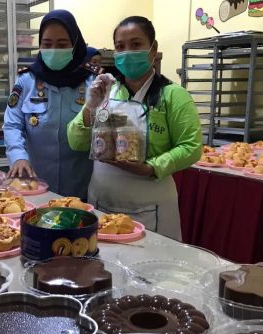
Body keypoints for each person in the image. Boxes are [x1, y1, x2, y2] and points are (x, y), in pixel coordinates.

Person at [67, 16, 202, 240]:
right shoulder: (105, 91)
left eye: (136, 44)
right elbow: (76, 141)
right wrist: (90, 107)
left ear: (153, 49)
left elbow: (192, 146)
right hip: (101, 197)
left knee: (150, 269)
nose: (128, 52)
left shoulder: (173, 95)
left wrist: (151, 167)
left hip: (150, 201)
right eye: (120, 47)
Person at [3, 9, 95, 200]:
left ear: (75, 45)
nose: (54, 50)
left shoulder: (92, 83)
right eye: (47, 44)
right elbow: (12, 124)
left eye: (62, 44)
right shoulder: (26, 80)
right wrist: (18, 156)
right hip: (35, 186)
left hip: (81, 188)